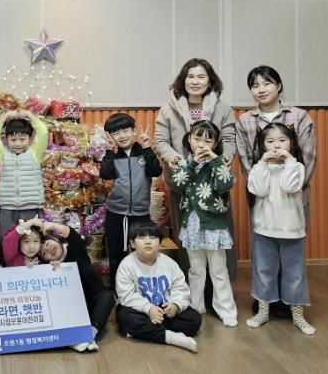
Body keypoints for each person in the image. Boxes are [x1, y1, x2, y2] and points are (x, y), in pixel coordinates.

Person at [235, 65, 317, 318]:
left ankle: (291, 304)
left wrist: (295, 184)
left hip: (294, 195)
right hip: (261, 195)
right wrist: (260, 187)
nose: (261, 89)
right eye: (255, 85)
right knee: (263, 253)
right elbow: (245, 159)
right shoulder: (245, 121)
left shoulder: (299, 116)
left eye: (267, 83)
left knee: (292, 253)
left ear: (279, 85)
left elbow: (308, 155)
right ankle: (265, 303)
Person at [153, 58, 237, 281]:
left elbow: (229, 139)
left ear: (210, 81)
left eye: (201, 76)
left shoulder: (223, 109)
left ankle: (218, 286)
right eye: (190, 76)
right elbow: (160, 141)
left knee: (218, 233)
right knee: (187, 235)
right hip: (183, 179)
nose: (195, 81)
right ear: (183, 80)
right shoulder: (167, 110)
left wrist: (224, 157)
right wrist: (172, 157)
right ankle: (190, 286)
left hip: (213, 182)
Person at [246, 123, 315, 335]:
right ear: (262, 146)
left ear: (291, 143)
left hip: (292, 230)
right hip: (264, 230)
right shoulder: (259, 168)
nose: (277, 145)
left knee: (295, 274)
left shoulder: (297, 167)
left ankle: (298, 315)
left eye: (282, 140)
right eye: (270, 141)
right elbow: (258, 189)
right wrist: (262, 164)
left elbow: (289, 186)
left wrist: (289, 162)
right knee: (263, 271)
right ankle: (263, 312)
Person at [168, 120, 238, 327]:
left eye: (208, 141)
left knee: (218, 270)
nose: (202, 144)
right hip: (192, 223)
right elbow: (177, 184)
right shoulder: (184, 163)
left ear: (215, 144)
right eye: (197, 138)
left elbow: (225, 184)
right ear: (189, 139)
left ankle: (226, 310)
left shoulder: (219, 163)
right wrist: (191, 164)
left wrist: (215, 162)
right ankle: (195, 306)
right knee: (196, 269)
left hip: (214, 225)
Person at [115, 223, 202, 353]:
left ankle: (145, 332)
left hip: (164, 309)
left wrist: (175, 305)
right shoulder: (126, 265)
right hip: (140, 310)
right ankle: (170, 337)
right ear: (132, 243)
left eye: (153, 237)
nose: (148, 241)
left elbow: (180, 288)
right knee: (125, 318)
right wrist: (148, 308)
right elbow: (126, 296)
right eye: (141, 238)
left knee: (194, 319)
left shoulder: (169, 263)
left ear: (160, 243)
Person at [100, 112, 162, 288]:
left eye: (125, 130)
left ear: (134, 131)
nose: (122, 136)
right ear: (110, 136)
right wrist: (108, 151)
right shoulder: (114, 156)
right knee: (116, 254)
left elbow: (156, 171)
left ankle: (142, 287)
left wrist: (147, 148)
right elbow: (105, 174)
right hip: (116, 213)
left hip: (141, 213)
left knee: (143, 252)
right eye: (116, 133)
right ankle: (118, 289)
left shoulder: (143, 153)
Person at [39, 220, 116, 352]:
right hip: (74, 309)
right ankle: (77, 337)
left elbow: (71, 234)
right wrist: (55, 271)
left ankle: (90, 333)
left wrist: (52, 225)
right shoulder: (50, 269)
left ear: (55, 239)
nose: (48, 249)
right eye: (44, 253)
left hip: (94, 303)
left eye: (47, 244)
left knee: (108, 296)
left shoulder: (75, 249)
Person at [0, 109, 48, 237]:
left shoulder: (35, 153)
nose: (18, 143)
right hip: (7, 207)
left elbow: (43, 132)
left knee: (29, 239)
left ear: (30, 138)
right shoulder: (2, 154)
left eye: (22, 139)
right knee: (7, 239)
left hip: (30, 206)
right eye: (13, 139)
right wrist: (5, 117)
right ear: (6, 139)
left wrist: (30, 115)